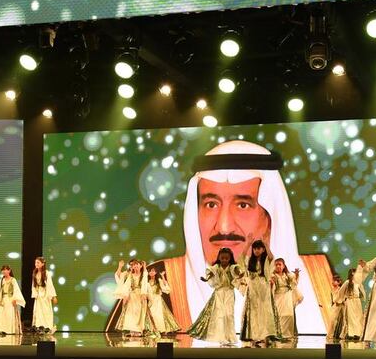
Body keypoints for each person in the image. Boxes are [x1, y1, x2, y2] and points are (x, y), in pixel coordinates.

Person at [107, 140, 333, 334]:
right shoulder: (159, 278)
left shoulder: (319, 276)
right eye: (211, 204)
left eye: (243, 204)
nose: (223, 226)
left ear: (271, 213)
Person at [187, 247, 245, 345]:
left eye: (226, 258)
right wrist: (206, 279)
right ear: (219, 258)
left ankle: (230, 337)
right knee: (220, 315)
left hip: (229, 292)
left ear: (230, 258)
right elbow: (210, 273)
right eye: (222, 258)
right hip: (219, 292)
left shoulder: (232, 267)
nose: (224, 260)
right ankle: (221, 337)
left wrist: (240, 274)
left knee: (229, 314)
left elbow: (238, 272)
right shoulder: (216, 267)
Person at [114, 259, 150, 336]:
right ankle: (132, 330)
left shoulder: (143, 274)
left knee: (139, 313)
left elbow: (144, 282)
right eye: (133, 265)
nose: (134, 266)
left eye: (136, 264)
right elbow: (122, 281)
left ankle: (138, 330)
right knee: (131, 313)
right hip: (131, 296)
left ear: (140, 265)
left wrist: (143, 293)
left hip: (140, 295)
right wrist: (125, 295)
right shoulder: (129, 275)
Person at [271, 258, 302, 340]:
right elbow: (271, 288)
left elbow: (294, 283)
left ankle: (288, 334)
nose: (278, 266)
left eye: (279, 264)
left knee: (289, 315)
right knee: (279, 315)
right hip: (277, 296)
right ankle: (278, 334)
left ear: (283, 266)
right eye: (276, 265)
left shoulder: (288, 275)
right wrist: (271, 283)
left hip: (287, 296)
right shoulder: (273, 276)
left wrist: (297, 275)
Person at [331, 268, 366, 341]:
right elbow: (341, 292)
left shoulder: (358, 282)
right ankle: (352, 334)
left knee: (358, 318)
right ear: (351, 274)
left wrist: (363, 297)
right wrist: (338, 300)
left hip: (357, 301)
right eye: (354, 273)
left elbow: (362, 291)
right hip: (350, 301)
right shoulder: (347, 282)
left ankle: (358, 334)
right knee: (351, 318)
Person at [146, 267, 179, 335]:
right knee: (152, 315)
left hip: (157, 300)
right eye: (150, 271)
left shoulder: (158, 280)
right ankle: (154, 330)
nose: (151, 272)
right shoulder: (147, 282)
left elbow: (165, 287)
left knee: (158, 315)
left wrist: (163, 276)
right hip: (151, 300)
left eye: (153, 271)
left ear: (155, 272)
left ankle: (161, 330)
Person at [0, 265, 25, 335]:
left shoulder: (13, 280)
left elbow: (16, 290)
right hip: (3, 299)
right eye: (3, 270)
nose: (4, 271)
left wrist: (15, 299)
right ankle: (2, 330)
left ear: (9, 270)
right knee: (1, 314)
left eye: (6, 270)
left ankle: (10, 330)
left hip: (10, 299)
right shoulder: (2, 280)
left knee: (9, 314)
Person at [31, 256, 57, 333]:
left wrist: (53, 296)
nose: (36, 264)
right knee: (38, 311)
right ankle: (39, 326)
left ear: (42, 264)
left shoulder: (46, 273)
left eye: (38, 263)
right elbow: (33, 285)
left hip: (45, 293)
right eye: (35, 262)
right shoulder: (35, 272)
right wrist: (35, 293)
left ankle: (47, 326)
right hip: (39, 293)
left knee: (46, 310)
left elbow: (50, 284)